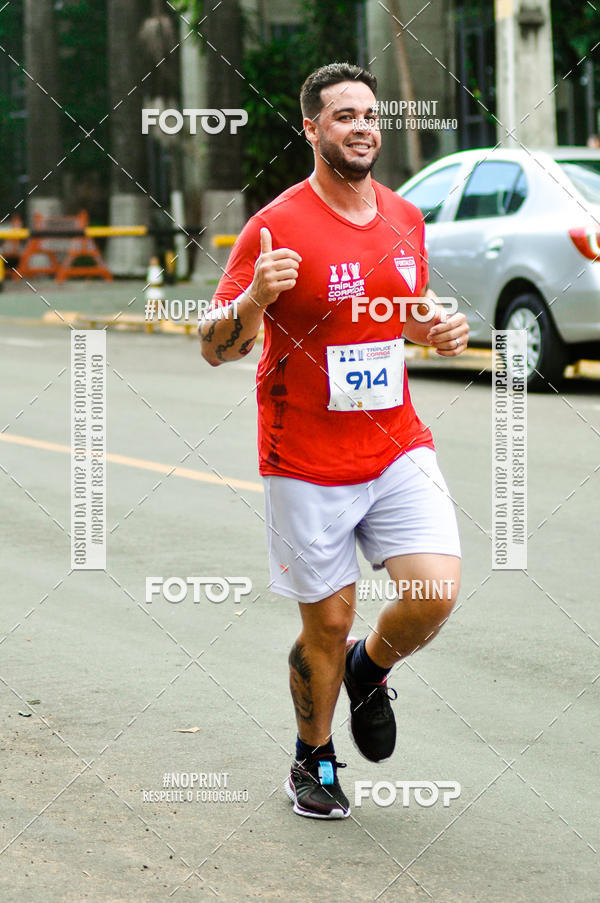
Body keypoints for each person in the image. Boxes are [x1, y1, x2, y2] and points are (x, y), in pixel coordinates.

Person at [199, 62, 469, 820]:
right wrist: (256, 297)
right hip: (306, 458)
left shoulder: (403, 217)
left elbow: (404, 313)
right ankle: (310, 757)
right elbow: (216, 346)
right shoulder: (275, 226)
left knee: (434, 591)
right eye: (343, 115)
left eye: (369, 115)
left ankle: (370, 668)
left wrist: (434, 327)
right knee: (327, 620)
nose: (361, 127)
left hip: (394, 443)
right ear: (312, 128)